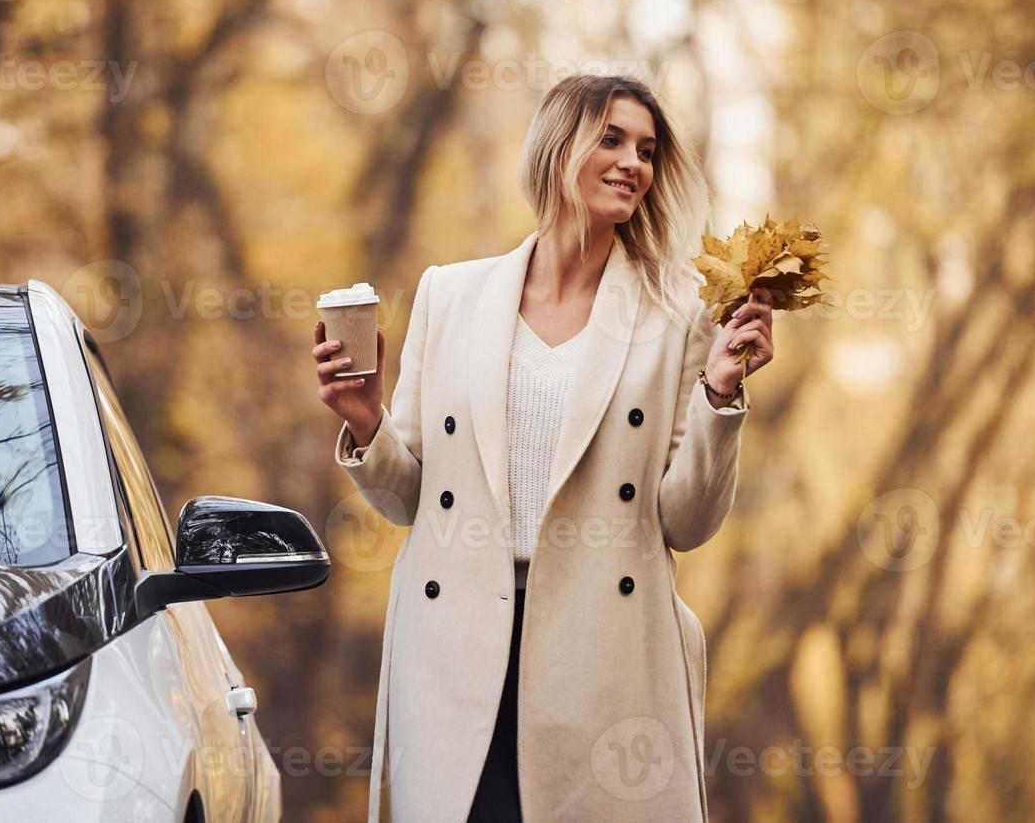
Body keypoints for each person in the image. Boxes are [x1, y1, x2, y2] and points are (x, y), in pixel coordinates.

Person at [312, 73, 775, 822]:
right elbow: (409, 501)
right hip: (458, 647)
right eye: (613, 139)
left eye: (648, 149)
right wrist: (366, 420)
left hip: (604, 647)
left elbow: (685, 523)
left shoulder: (678, 313)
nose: (634, 162)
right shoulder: (450, 296)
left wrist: (720, 395)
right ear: (558, 149)